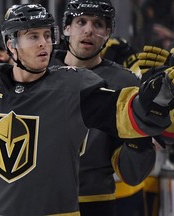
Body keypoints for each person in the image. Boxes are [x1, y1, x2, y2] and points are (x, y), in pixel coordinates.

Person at [0, 3, 174, 216]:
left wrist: (157, 98)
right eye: (33, 36)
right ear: (10, 44)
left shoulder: (76, 85)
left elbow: (124, 113)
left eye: (47, 35)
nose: (43, 43)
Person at [50, 1, 154, 215]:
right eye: (81, 22)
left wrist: (142, 136)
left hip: (95, 201)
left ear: (107, 33)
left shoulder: (125, 83)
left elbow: (132, 173)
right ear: (67, 29)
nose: (89, 30)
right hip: (41, 199)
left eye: (98, 24)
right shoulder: (40, 73)